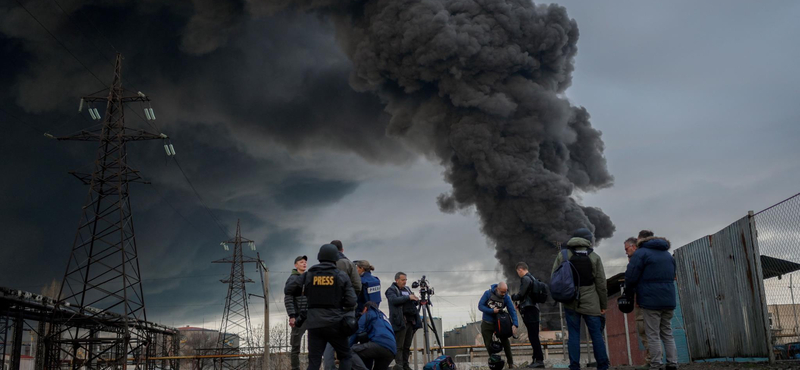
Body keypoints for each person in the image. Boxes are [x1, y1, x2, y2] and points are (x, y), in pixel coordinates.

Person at [285, 244, 357, 370]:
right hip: (335, 323)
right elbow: (352, 301)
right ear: (336, 258)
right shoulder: (341, 276)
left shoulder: (309, 275)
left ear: (319, 257)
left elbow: (288, 289)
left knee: (314, 362)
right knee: (345, 356)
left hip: (314, 325)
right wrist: (338, 303)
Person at [551, 228, 609, 370]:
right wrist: (603, 304)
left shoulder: (563, 255)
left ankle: (574, 366)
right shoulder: (594, 257)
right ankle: (602, 366)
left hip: (571, 301)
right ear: (588, 240)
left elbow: (554, 278)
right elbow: (601, 283)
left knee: (574, 335)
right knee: (596, 335)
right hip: (591, 301)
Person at [625, 230, 678, 370]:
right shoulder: (667, 255)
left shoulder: (641, 253)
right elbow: (673, 274)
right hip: (669, 299)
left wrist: (628, 293)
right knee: (667, 332)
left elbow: (631, 276)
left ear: (640, 240)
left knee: (652, 334)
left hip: (650, 300)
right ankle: (672, 364)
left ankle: (656, 365)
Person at [325, 240, 363, 370]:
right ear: (342, 250)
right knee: (345, 341)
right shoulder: (349, 264)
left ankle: (329, 367)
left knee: (329, 340)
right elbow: (358, 286)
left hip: (330, 309)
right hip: (347, 310)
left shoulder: (324, 265)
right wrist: (350, 299)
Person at [624, 237, 651, 369]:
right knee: (663, 332)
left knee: (644, 330)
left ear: (634, 246)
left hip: (644, 301)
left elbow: (631, 280)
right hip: (659, 300)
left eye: (626, 249)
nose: (625, 252)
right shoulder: (654, 257)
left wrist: (628, 296)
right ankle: (668, 360)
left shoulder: (638, 261)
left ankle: (652, 361)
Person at [511, 262, 544, 368]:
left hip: (529, 310)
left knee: (533, 336)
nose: (518, 274)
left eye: (518, 272)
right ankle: (536, 359)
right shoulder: (532, 278)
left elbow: (521, 294)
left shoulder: (525, 279)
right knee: (534, 335)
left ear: (520, 270)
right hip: (534, 308)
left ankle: (539, 360)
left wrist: (514, 297)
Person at [478, 282, 518, 369]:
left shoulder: (506, 297)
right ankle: (494, 363)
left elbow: (512, 310)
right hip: (487, 322)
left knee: (505, 342)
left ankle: (510, 363)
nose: (503, 294)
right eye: (502, 292)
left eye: (505, 292)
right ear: (497, 289)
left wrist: (515, 324)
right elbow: (480, 306)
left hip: (500, 323)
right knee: (488, 344)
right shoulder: (488, 293)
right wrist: (492, 311)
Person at [385, 272, 420, 370]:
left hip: (410, 321)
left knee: (407, 345)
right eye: (403, 280)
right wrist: (408, 297)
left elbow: (410, 301)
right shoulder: (391, 290)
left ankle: (406, 365)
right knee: (399, 345)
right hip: (400, 321)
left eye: (406, 280)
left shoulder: (407, 289)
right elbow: (394, 300)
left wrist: (415, 300)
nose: (405, 282)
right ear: (397, 280)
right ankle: (399, 365)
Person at [350, 302, 397, 370]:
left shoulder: (368, 313)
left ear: (365, 308)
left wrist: (347, 347)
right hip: (392, 350)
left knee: (350, 351)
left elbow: (357, 331)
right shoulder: (384, 317)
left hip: (379, 344)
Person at [284, 255, 308, 370]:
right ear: (296, 265)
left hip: (310, 315)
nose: (304, 264)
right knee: (295, 345)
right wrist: (292, 316)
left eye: (305, 262)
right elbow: (288, 298)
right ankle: (295, 367)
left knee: (314, 344)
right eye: (301, 262)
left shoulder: (308, 277)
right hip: (299, 316)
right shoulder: (293, 279)